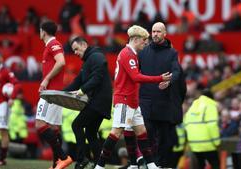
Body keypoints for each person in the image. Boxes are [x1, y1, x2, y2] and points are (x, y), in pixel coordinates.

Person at [94, 25, 172, 169]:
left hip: (132, 101)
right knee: (116, 132)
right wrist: (159, 78)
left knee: (141, 131)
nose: (145, 43)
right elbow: (135, 77)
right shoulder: (127, 54)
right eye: (143, 41)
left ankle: (150, 164)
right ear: (135, 40)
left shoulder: (130, 54)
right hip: (124, 99)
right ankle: (99, 166)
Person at [135, 22, 183, 168]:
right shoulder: (143, 52)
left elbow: (177, 72)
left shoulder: (172, 53)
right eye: (153, 31)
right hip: (146, 100)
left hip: (163, 101)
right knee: (147, 134)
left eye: (158, 32)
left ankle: (161, 164)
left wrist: (169, 82)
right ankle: (150, 163)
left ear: (165, 33)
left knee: (164, 137)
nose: (155, 34)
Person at [64, 36, 112, 169]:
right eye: (73, 50)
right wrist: (61, 93)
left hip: (98, 102)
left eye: (76, 49)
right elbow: (77, 81)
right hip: (99, 103)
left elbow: (98, 77)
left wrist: (82, 90)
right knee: (91, 132)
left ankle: (81, 159)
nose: (75, 52)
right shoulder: (88, 61)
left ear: (84, 45)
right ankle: (98, 164)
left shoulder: (96, 56)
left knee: (76, 125)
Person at [35, 21, 72, 169]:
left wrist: (46, 79)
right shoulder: (51, 45)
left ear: (43, 31)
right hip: (55, 92)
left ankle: (63, 157)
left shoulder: (53, 44)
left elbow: (61, 62)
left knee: (40, 124)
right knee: (55, 128)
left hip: (50, 93)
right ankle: (56, 163)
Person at [183, 89, 221, 169]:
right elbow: (212, 125)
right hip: (208, 144)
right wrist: (217, 142)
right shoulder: (210, 106)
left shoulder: (193, 106)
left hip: (194, 145)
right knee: (215, 165)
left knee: (200, 166)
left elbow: (186, 123)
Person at [0, 53, 20, 165]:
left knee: (3, 131)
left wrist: (12, 98)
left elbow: (16, 84)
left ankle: (2, 159)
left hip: (3, 105)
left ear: (1, 58)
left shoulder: (6, 71)